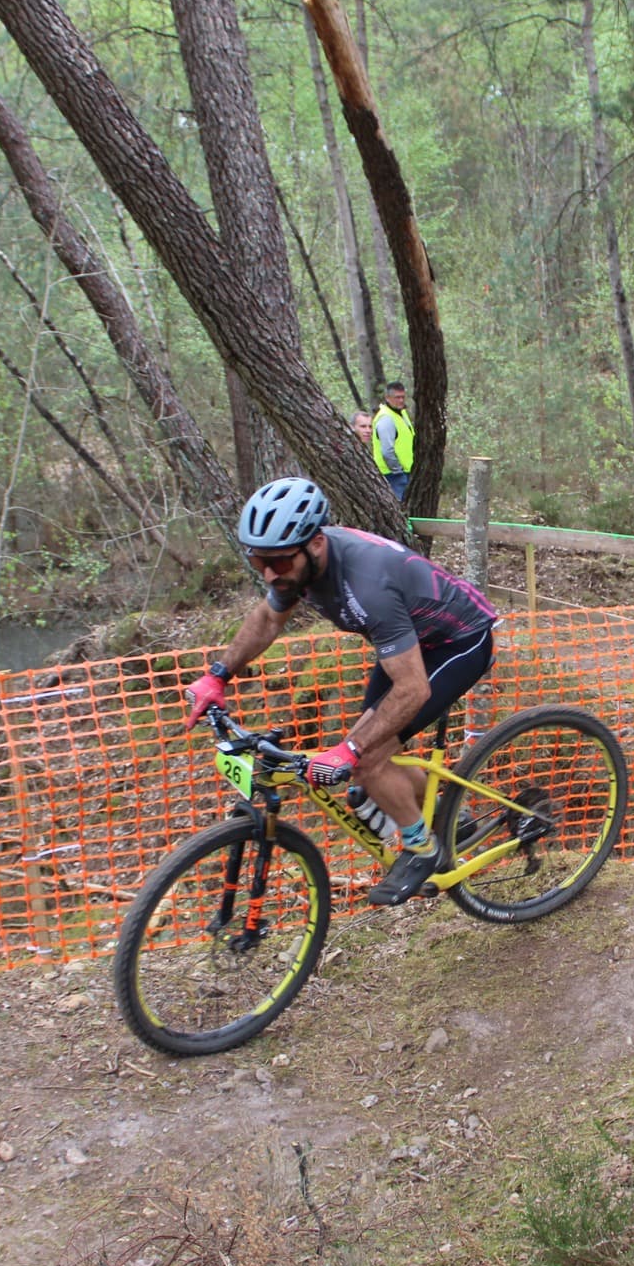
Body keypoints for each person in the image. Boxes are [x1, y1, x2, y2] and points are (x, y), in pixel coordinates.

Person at [183, 477, 498, 904]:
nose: (271, 574)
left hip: (457, 642)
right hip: (407, 641)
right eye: (259, 564)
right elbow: (268, 620)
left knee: (364, 758)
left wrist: (350, 751)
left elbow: (412, 689)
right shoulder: (299, 565)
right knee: (369, 759)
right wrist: (217, 676)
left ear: (314, 543)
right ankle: (448, 818)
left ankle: (422, 848)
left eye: (277, 562)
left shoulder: (367, 584)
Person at [371, 380, 414, 501]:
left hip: (404, 472)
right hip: (392, 475)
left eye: (403, 397)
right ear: (387, 398)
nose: (401, 400)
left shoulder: (401, 413)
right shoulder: (386, 418)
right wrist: (398, 471)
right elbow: (387, 451)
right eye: (397, 397)